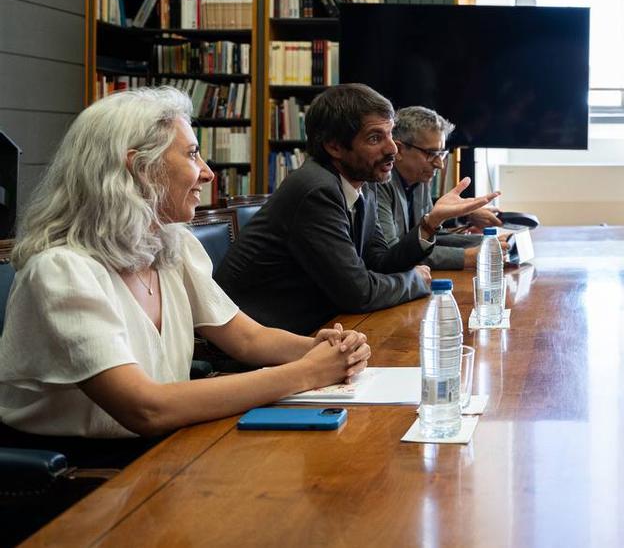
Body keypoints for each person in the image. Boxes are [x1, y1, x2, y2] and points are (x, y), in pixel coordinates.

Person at [0, 87, 370, 453]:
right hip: (86, 479)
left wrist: (328, 351)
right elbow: (145, 408)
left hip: (166, 448)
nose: (208, 173)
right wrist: (308, 371)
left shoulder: (172, 244)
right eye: (193, 154)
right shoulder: (61, 272)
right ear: (139, 167)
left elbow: (247, 340)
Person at [216, 84, 498, 335]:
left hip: (320, 327)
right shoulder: (316, 190)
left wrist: (429, 224)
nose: (393, 150)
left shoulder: (364, 184)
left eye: (390, 135)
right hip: (262, 342)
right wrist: (416, 281)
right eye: (376, 138)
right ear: (335, 146)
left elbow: (380, 260)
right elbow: (358, 292)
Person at [376, 106, 508, 270]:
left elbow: (429, 238)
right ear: (399, 150)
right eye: (431, 153)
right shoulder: (377, 184)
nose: (439, 164)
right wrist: (468, 257)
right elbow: (395, 254)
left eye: (441, 154)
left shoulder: (420, 177)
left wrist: (490, 242)